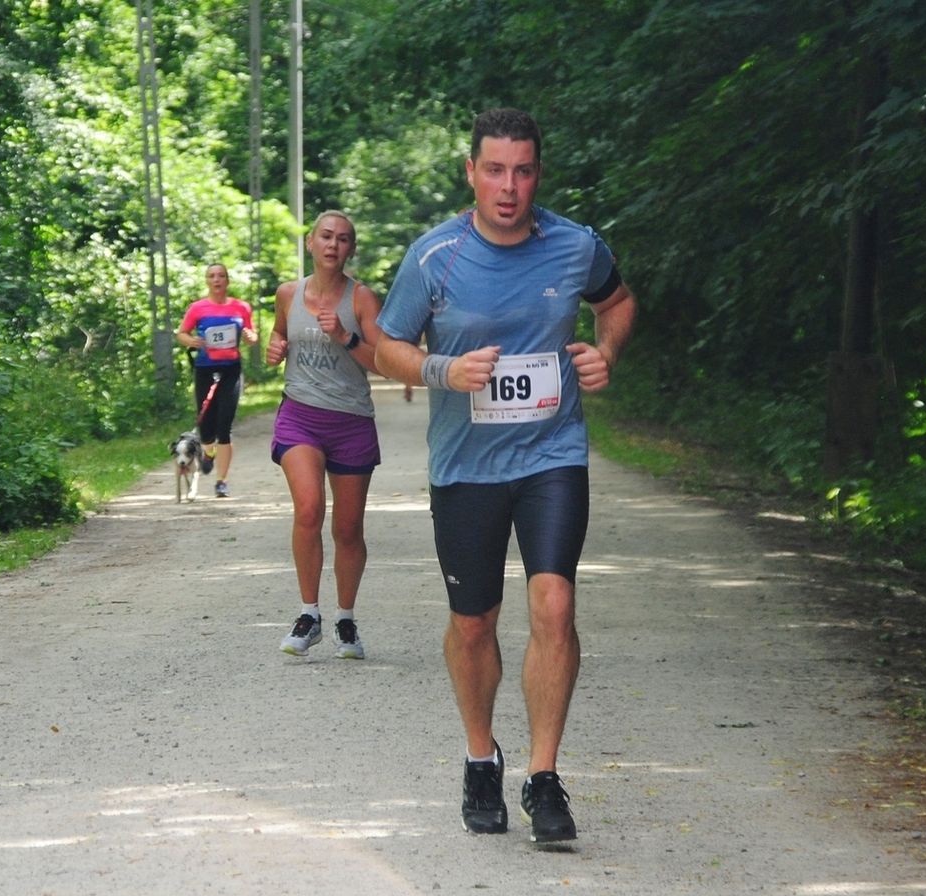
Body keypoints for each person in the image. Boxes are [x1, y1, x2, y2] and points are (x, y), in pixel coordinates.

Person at [375, 108, 637, 845]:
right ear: (471, 173)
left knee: (555, 605)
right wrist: (442, 370)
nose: (509, 187)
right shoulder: (435, 256)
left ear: (538, 175)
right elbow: (386, 346)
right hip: (466, 465)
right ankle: (480, 758)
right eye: (494, 170)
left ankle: (543, 776)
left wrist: (605, 352)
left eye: (522, 171)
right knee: (473, 623)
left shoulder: (575, 245)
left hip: (553, 455)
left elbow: (617, 302)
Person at [266, 210, 385, 660]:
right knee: (309, 508)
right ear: (311, 242)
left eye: (344, 239)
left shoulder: (362, 299)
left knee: (348, 529)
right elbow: (278, 337)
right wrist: (274, 349)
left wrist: (347, 338)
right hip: (300, 415)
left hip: (351, 420)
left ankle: (346, 619)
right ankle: (308, 614)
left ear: (351, 248)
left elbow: (383, 361)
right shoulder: (288, 294)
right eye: (327, 236)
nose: (334, 245)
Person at [176, 263, 259, 498]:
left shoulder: (241, 307)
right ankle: (208, 451)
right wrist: (192, 341)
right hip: (205, 369)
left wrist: (250, 336)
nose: (216, 280)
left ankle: (222, 481)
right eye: (212, 276)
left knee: (224, 425)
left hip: (231, 370)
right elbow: (181, 333)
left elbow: (252, 336)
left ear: (227, 280)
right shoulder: (197, 308)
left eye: (221, 276)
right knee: (206, 426)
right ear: (207, 281)